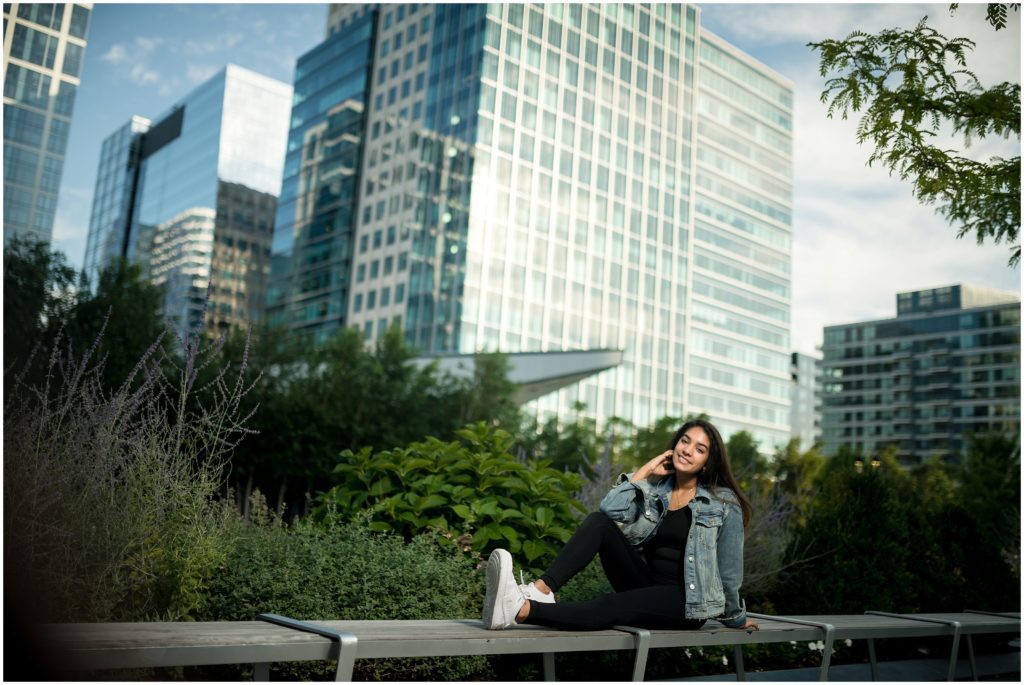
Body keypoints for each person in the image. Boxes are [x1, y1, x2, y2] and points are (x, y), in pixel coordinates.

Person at [481, 418, 759, 633]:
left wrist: (735, 617)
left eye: (699, 449)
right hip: (644, 583)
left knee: (610, 606)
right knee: (599, 523)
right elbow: (610, 509)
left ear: (707, 463)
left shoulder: (723, 504)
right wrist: (645, 472)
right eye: (684, 441)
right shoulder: (657, 489)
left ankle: (522, 610)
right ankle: (539, 590)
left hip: (686, 602)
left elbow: (730, 571)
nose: (687, 450)